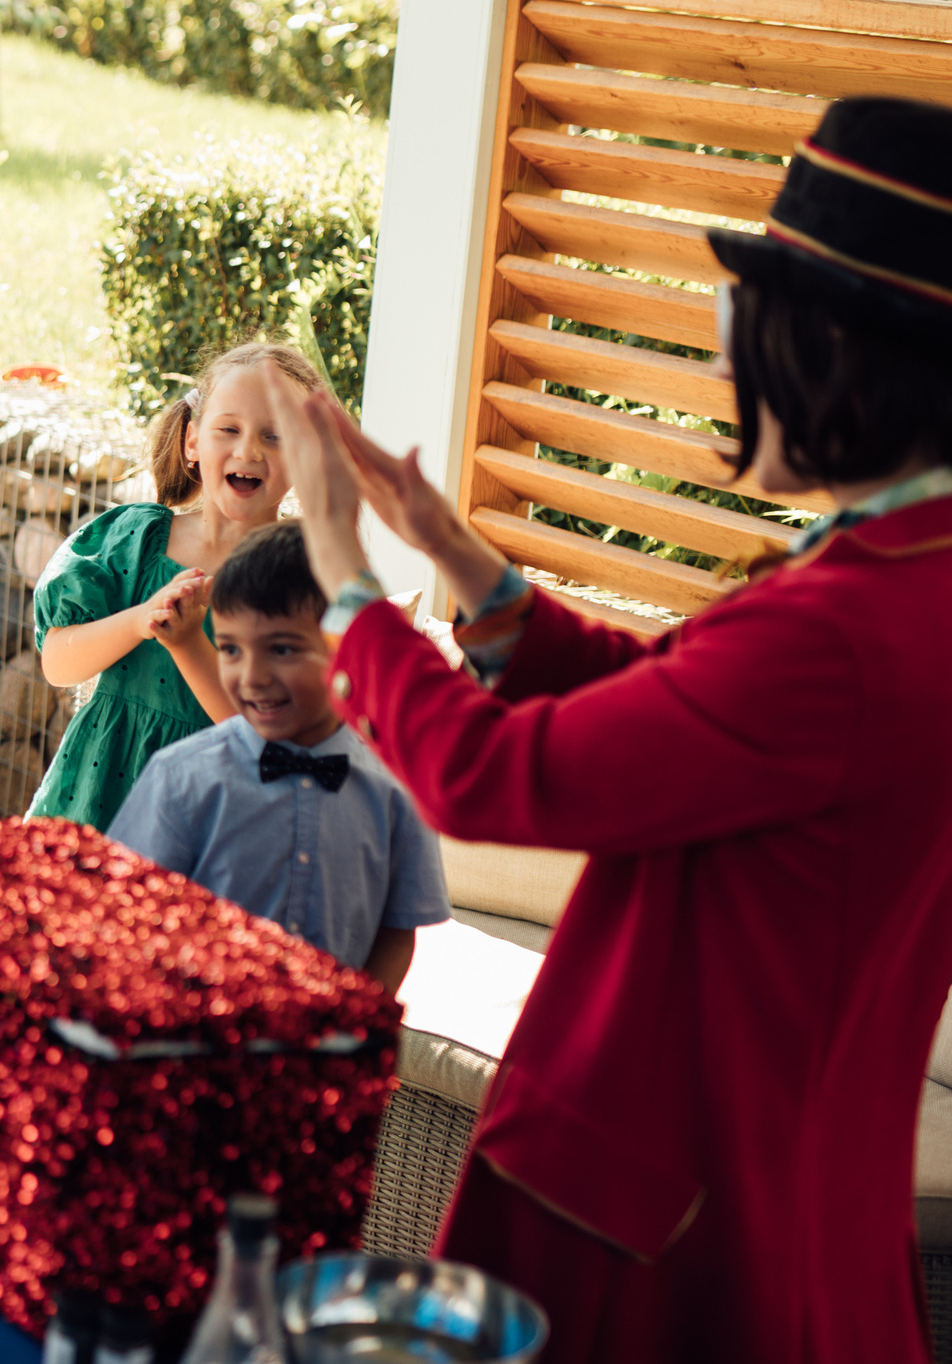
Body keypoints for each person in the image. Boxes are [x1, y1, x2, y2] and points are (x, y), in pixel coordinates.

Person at [269, 94, 952, 1363]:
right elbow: (684, 709)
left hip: (666, 1208)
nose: (725, 369)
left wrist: (345, 583)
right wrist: (454, 553)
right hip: (792, 1180)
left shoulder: (842, 628)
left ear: (835, 350)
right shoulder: (916, 574)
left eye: (745, 328)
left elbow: (485, 778)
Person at [104, 521, 447, 995]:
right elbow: (128, 915)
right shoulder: (180, 778)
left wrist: (354, 1017)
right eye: (230, 649)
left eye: (281, 649)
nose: (252, 677)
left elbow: (397, 931)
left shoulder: (397, 794)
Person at [26, 339, 320, 832]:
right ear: (192, 441)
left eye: (276, 436)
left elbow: (269, 741)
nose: (249, 450)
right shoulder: (133, 540)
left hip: (208, 822)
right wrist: (139, 621)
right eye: (229, 429)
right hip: (95, 807)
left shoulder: (301, 581)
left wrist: (187, 645)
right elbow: (57, 664)